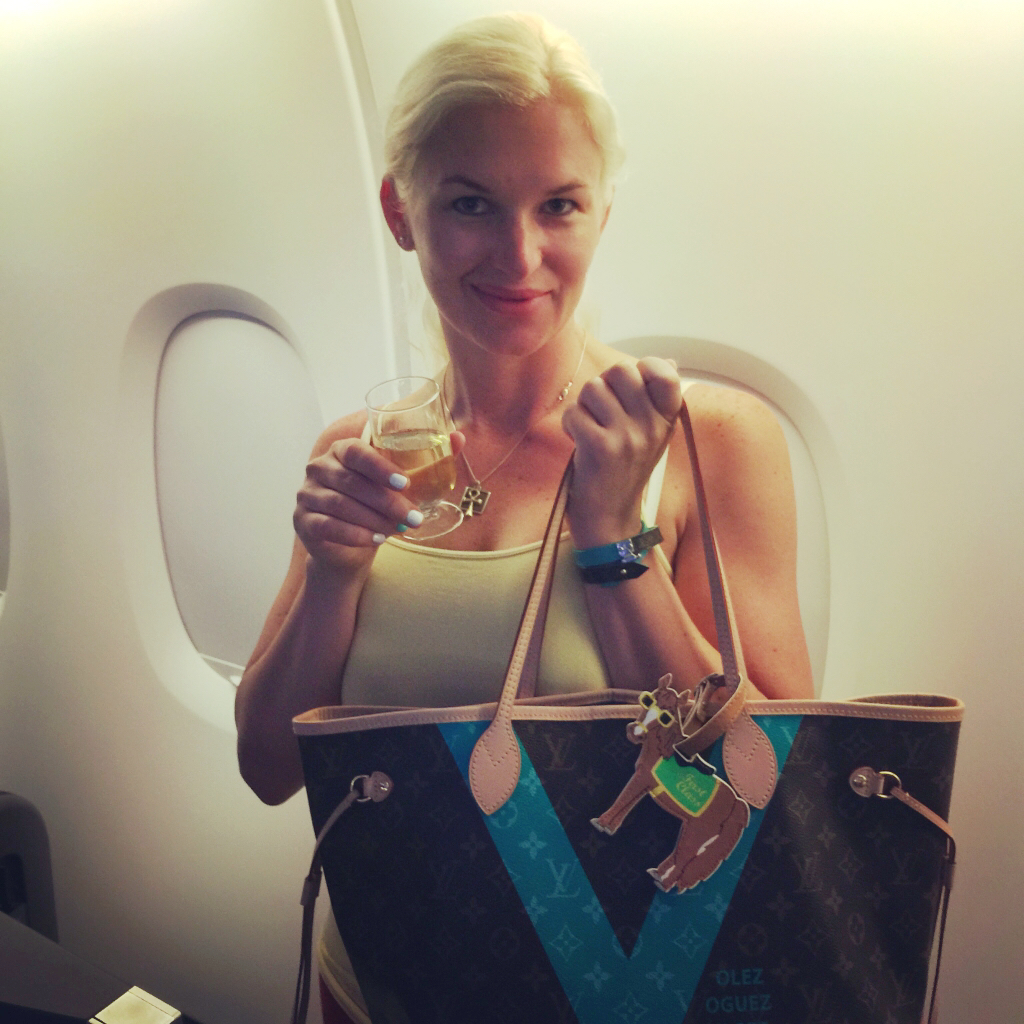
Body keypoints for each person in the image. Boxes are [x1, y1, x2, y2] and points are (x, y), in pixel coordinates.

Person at [235, 12, 814, 1023]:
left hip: (614, 987)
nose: (520, 252)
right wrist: (332, 573)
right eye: (470, 203)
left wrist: (612, 538)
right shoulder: (360, 454)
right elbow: (268, 768)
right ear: (400, 210)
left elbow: (767, 787)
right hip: (373, 985)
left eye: (559, 205)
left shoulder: (707, 439)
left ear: (601, 212)